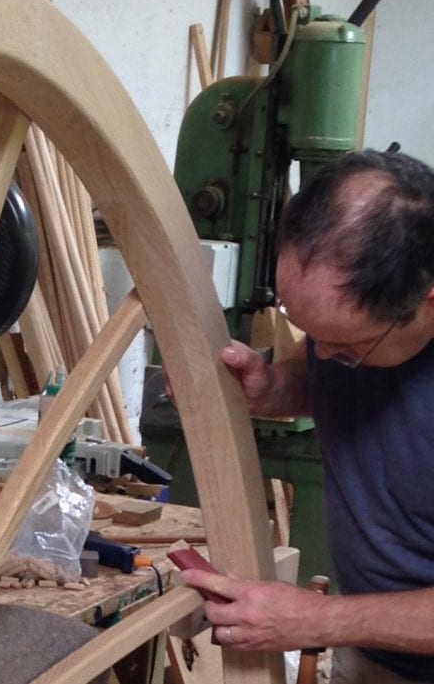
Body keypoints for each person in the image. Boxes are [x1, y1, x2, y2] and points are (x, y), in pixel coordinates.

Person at [179, 149, 434, 683]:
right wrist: (278, 387)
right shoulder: (352, 322)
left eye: (345, 345)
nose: (319, 352)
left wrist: (321, 619)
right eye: (307, 330)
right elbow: (321, 366)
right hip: (372, 650)